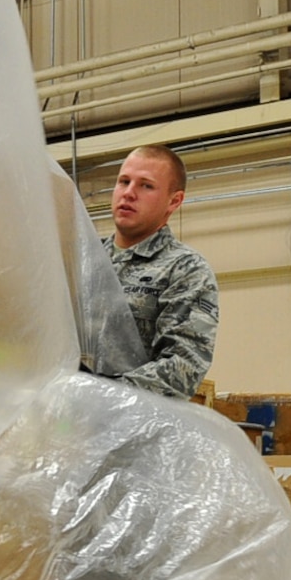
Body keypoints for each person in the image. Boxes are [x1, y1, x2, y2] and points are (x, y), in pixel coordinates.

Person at [105, 144, 219, 400]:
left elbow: (182, 368)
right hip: (62, 417)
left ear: (174, 201)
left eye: (146, 185)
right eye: (124, 181)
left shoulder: (185, 269)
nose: (129, 193)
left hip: (132, 419)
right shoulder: (82, 260)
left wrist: (95, 397)